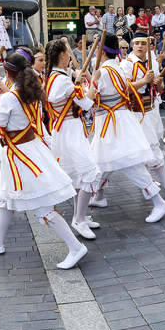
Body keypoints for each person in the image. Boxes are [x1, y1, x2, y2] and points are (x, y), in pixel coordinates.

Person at [0, 53, 87, 269]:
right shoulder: (30, 91)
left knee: (41, 207)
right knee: (3, 198)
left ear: (8, 73)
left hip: (21, 156)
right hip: (29, 149)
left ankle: (75, 247)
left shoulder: (10, 97)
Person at [88, 33, 165, 223]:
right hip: (116, 121)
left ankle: (159, 202)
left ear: (101, 50)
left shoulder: (104, 71)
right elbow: (125, 88)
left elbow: (89, 100)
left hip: (113, 124)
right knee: (100, 161)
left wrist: (81, 90)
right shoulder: (115, 67)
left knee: (127, 163)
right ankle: (98, 196)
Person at [44, 39, 101, 239]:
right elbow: (86, 104)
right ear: (62, 55)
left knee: (79, 175)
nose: (71, 56)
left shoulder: (53, 77)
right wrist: (94, 82)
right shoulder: (61, 80)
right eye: (68, 53)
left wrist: (76, 83)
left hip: (66, 129)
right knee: (90, 172)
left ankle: (82, 216)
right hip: (69, 129)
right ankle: (78, 219)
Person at [119, 32, 165, 201]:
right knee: (145, 150)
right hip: (134, 113)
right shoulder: (126, 64)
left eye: (143, 43)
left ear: (148, 45)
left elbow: (159, 89)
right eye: (136, 43)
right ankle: (164, 186)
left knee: (152, 146)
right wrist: (144, 81)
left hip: (151, 111)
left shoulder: (153, 62)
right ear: (132, 45)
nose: (139, 46)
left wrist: (158, 84)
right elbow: (123, 89)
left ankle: (158, 183)